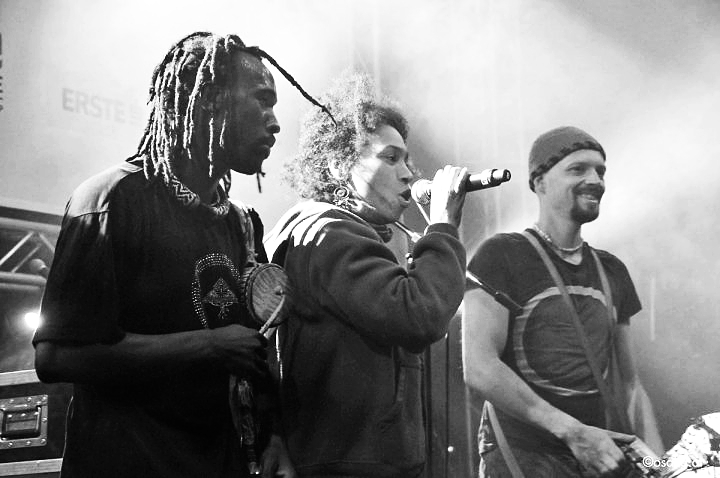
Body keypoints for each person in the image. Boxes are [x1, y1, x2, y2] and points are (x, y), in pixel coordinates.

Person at [32, 32, 328, 478]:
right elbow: (57, 356)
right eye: (262, 101)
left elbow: (254, 351)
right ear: (208, 99)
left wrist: (273, 437)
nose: (275, 123)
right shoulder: (112, 201)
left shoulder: (240, 222)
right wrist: (207, 346)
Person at [264, 72, 468, 478]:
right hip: (350, 466)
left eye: (406, 160)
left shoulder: (334, 232)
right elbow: (418, 315)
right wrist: (443, 227)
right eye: (390, 158)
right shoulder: (330, 233)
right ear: (340, 165)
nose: (408, 173)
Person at [462, 126, 661, 477]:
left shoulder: (612, 270)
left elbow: (630, 386)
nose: (595, 180)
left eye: (600, 171)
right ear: (540, 182)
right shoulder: (500, 254)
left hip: (593, 457)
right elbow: (479, 367)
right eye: (578, 169)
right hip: (520, 455)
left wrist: (658, 466)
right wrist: (572, 431)